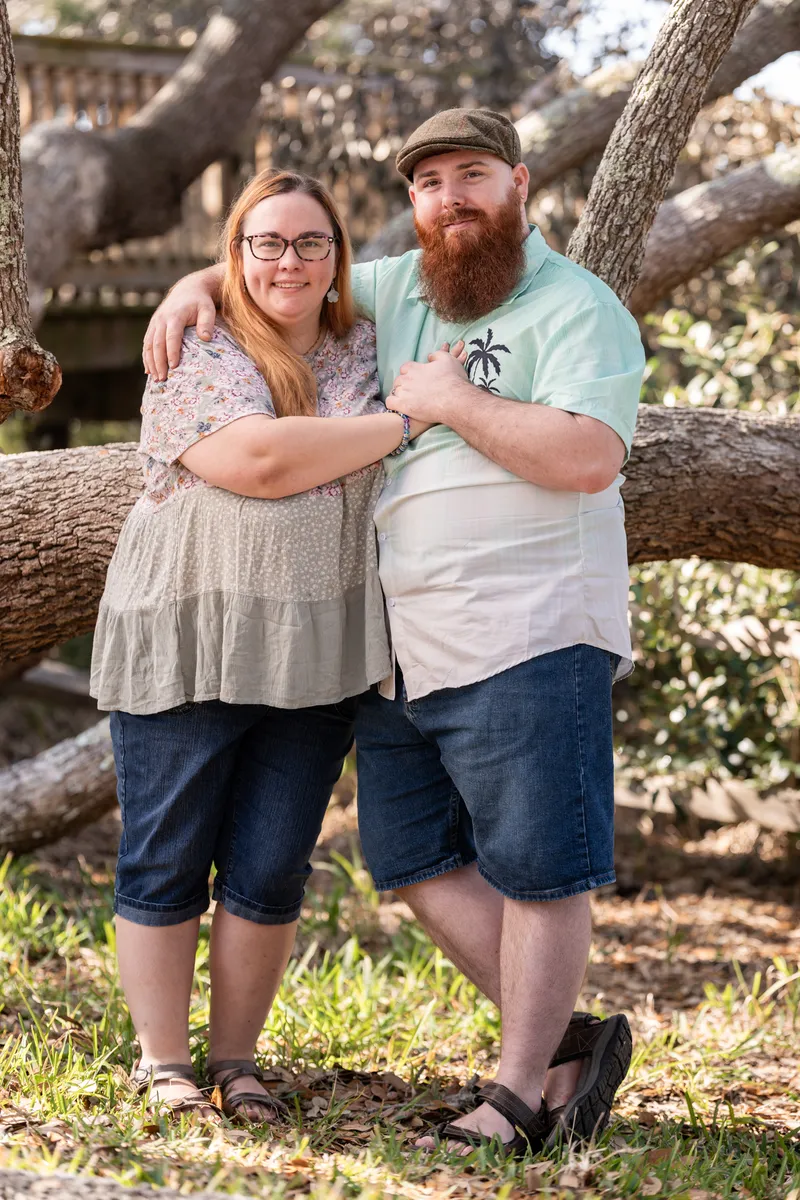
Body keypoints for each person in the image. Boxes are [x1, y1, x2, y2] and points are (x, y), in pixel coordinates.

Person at [142, 109, 646, 1154]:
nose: (449, 198)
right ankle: (566, 1044)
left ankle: (514, 1098)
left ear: (515, 184)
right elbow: (277, 267)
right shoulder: (404, 284)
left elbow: (590, 458)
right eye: (427, 184)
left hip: (531, 622)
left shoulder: (576, 307)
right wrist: (191, 284)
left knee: (540, 865)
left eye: (471, 176)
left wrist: (452, 403)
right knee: (410, 855)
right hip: (401, 643)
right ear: (412, 207)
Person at [91, 167, 438, 1123]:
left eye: (310, 243)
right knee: (166, 858)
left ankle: (238, 1063)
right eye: (266, 243)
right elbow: (259, 461)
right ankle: (163, 1063)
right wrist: (408, 421)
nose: (289, 259)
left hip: (317, 647)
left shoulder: (370, 339)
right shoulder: (197, 343)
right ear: (236, 255)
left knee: (270, 867)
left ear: (339, 262)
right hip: (193, 632)